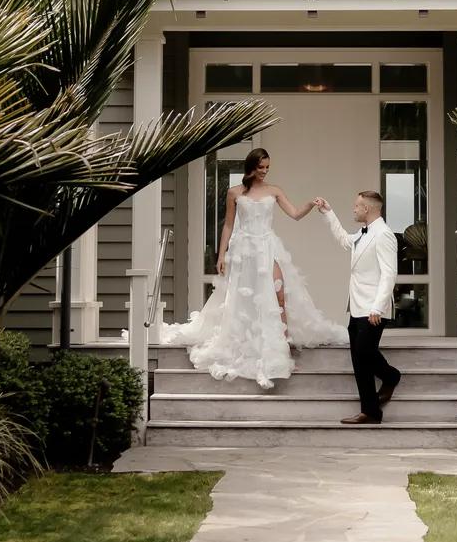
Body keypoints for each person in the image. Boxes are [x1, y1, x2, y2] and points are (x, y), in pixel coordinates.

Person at [158, 148, 346, 387]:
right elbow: (228, 225)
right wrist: (222, 254)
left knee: (278, 294)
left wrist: (311, 203)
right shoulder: (235, 192)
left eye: (267, 167)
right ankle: (251, 346)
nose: (265, 172)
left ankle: (283, 344)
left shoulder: (274, 191)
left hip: (268, 247)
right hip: (244, 251)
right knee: (245, 300)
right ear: (251, 166)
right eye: (261, 167)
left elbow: (296, 214)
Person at [310, 190, 402, 425]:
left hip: (373, 309)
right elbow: (343, 240)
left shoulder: (384, 235)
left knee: (364, 352)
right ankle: (370, 412)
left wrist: (378, 308)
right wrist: (328, 213)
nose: (353, 209)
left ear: (367, 209)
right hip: (357, 306)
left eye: (356, 206)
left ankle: (391, 376)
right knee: (359, 360)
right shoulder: (364, 233)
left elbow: (389, 275)